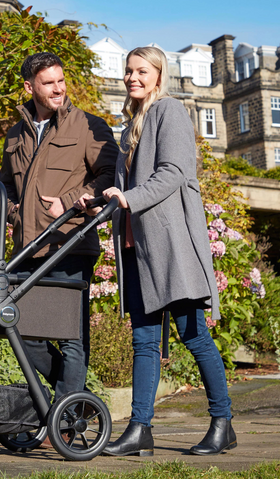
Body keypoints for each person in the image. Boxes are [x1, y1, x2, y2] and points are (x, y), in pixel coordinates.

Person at [75, 46, 236, 457]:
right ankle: (139, 430)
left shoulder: (170, 113)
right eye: (128, 71)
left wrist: (128, 199)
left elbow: (173, 173)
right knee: (144, 342)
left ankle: (223, 422)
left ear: (159, 75)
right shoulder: (131, 127)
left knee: (193, 335)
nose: (133, 77)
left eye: (141, 71)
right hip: (137, 248)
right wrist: (94, 199)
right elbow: (121, 181)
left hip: (170, 247)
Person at [0, 52, 119, 405]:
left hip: (71, 243)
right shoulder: (15, 135)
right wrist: (13, 211)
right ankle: (75, 399)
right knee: (12, 322)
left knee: (71, 338)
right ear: (29, 87)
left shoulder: (87, 126)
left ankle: (66, 420)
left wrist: (68, 201)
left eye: (61, 81)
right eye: (48, 83)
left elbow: (109, 177)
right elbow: (5, 186)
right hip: (28, 248)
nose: (58, 89)